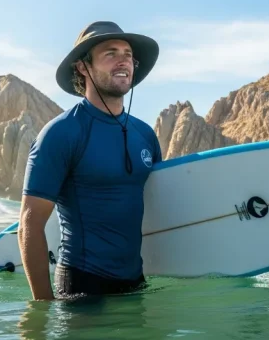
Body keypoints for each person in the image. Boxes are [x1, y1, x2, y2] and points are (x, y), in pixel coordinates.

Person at [18, 20, 163, 300]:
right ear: (83, 67)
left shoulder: (144, 134)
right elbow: (29, 225)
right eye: (111, 53)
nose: (124, 61)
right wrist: (42, 308)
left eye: (128, 54)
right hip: (82, 288)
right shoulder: (61, 133)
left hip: (136, 284)